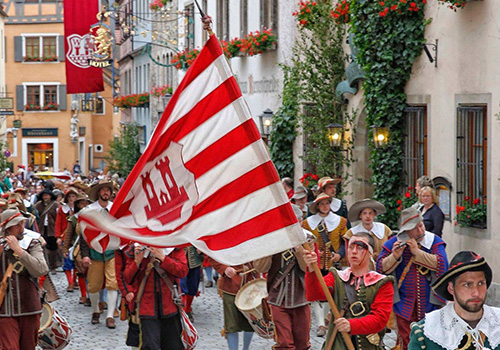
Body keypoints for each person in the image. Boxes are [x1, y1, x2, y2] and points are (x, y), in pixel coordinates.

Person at [304, 232, 394, 350]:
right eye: (351, 247)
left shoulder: (382, 283)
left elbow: (380, 320)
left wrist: (351, 325)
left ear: (370, 252)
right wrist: (311, 269)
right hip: (337, 345)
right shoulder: (336, 276)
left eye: (360, 247)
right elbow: (314, 295)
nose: (354, 251)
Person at [376, 207, 448, 350]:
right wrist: (394, 256)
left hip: (430, 303)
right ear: (406, 231)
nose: (420, 231)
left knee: (430, 339)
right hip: (404, 304)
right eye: (415, 228)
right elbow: (380, 268)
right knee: (406, 341)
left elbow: (442, 264)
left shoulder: (434, 241)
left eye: (421, 225)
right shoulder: (393, 243)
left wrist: (417, 253)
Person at [409, 251, 497, 350]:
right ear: (451, 288)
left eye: (481, 283)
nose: (476, 293)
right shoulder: (426, 331)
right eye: (467, 285)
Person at [0, 208, 49, 350]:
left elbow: (41, 269)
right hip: (4, 309)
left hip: (29, 307)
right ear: (7, 228)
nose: (21, 228)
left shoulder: (32, 243)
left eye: (22, 224)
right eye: (17, 225)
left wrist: (19, 251)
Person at [124, 244, 188, 350]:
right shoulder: (136, 249)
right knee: (150, 346)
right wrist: (137, 262)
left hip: (170, 306)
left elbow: (182, 271)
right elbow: (127, 278)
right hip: (147, 307)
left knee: (173, 346)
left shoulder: (174, 247)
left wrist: (163, 258)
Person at [302, 193, 348, 337]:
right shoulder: (308, 223)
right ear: (317, 206)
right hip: (315, 263)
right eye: (321, 204)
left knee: (330, 291)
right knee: (315, 293)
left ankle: (327, 317)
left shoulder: (340, 221)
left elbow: (344, 242)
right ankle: (321, 324)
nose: (325, 206)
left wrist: (339, 255)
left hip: (332, 263)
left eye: (327, 203)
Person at [254, 243, 310, 349]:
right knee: (284, 343)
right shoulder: (270, 240)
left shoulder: (306, 239)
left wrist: (299, 249)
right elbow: (260, 268)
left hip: (301, 298)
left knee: (302, 343)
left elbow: (308, 268)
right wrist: (269, 248)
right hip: (278, 297)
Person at [79, 180, 118, 328]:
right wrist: (85, 255)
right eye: (103, 190)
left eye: (108, 190)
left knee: (112, 283)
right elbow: (83, 236)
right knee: (94, 285)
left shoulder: (116, 210)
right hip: (94, 252)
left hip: (112, 252)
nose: (106, 192)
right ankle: (96, 311)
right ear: (98, 193)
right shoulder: (89, 211)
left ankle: (109, 316)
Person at [209, 258, 255, 350]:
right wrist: (224, 268)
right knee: (231, 325)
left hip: (251, 285)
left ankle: (246, 349)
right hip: (230, 286)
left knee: (251, 323)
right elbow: (212, 255)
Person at [343, 198, 391, 269]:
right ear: (360, 216)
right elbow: (349, 256)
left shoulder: (384, 229)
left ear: (374, 214)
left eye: (370, 213)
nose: (367, 216)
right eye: (364, 213)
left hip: (383, 270)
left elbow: (390, 251)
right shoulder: (352, 233)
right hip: (360, 271)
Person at [62, 193, 90, 305]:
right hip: (79, 247)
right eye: (81, 203)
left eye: (85, 203)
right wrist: (65, 249)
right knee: (81, 272)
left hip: (93, 246)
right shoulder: (73, 219)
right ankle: (84, 295)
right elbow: (68, 235)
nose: (83, 205)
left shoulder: (94, 216)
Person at [55, 187, 78, 292]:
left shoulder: (80, 209)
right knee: (67, 261)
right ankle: (70, 283)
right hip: (66, 237)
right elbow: (58, 223)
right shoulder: (62, 209)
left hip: (77, 239)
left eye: (73, 196)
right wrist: (58, 236)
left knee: (77, 262)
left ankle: (75, 280)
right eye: (70, 196)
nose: (72, 198)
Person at [34, 189, 61, 273]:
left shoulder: (56, 205)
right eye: (44, 195)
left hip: (52, 229)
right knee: (42, 248)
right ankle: (45, 266)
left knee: (53, 249)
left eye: (47, 195)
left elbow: (59, 217)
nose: (45, 197)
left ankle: (53, 266)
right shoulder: (38, 205)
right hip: (42, 229)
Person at [181, 245, 203, 321]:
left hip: (194, 259)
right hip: (179, 259)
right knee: (181, 286)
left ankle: (188, 308)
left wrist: (202, 248)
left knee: (193, 286)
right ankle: (184, 310)